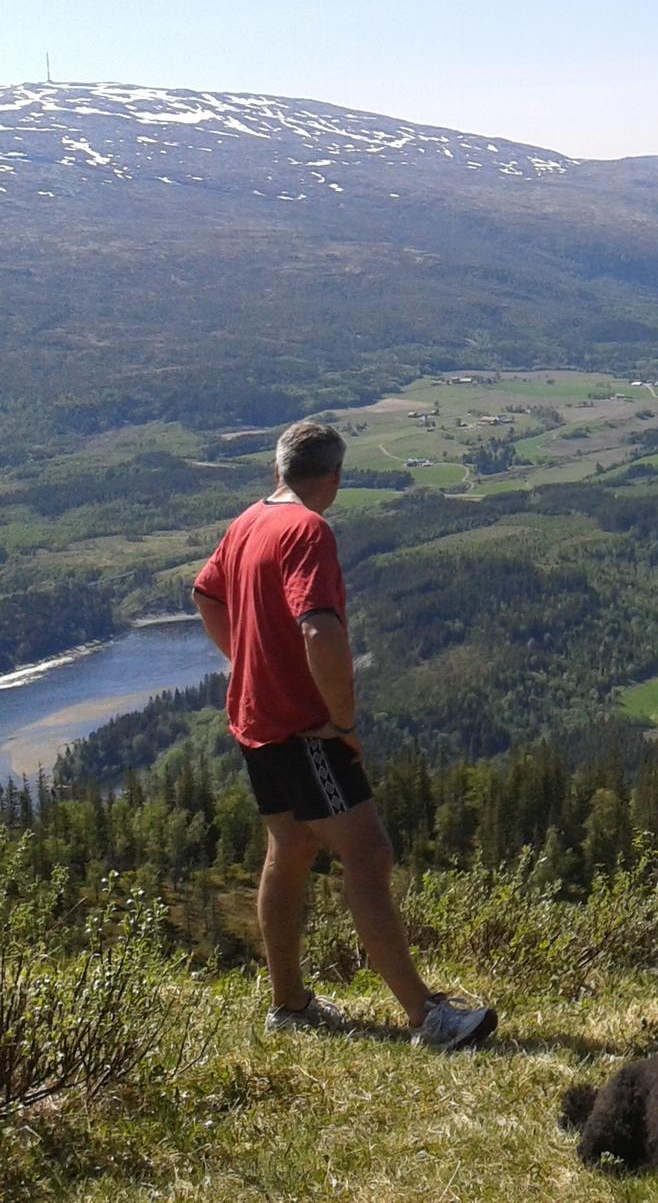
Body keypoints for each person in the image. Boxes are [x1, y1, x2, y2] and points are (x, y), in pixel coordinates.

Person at [193, 420, 498, 1051]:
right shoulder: (308, 529)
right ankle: (427, 1018)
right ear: (333, 477)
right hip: (303, 728)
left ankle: (289, 1006)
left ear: (278, 470)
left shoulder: (248, 522)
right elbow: (321, 631)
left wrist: (245, 662)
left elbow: (206, 594)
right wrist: (342, 723)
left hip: (253, 722)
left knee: (291, 847)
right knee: (368, 853)